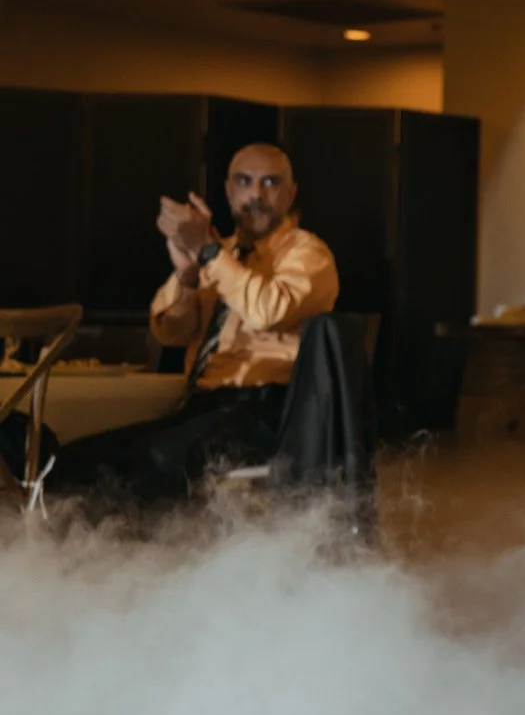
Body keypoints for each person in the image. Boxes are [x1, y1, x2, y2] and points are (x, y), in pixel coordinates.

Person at [9, 144, 338, 504]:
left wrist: (210, 253)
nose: (256, 194)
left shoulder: (307, 253)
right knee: (75, 459)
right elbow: (170, 332)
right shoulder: (221, 254)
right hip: (204, 406)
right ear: (229, 191)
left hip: (266, 409)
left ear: (290, 193)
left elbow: (265, 311)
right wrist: (186, 275)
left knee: (146, 462)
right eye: (245, 182)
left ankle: (136, 547)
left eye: (270, 183)